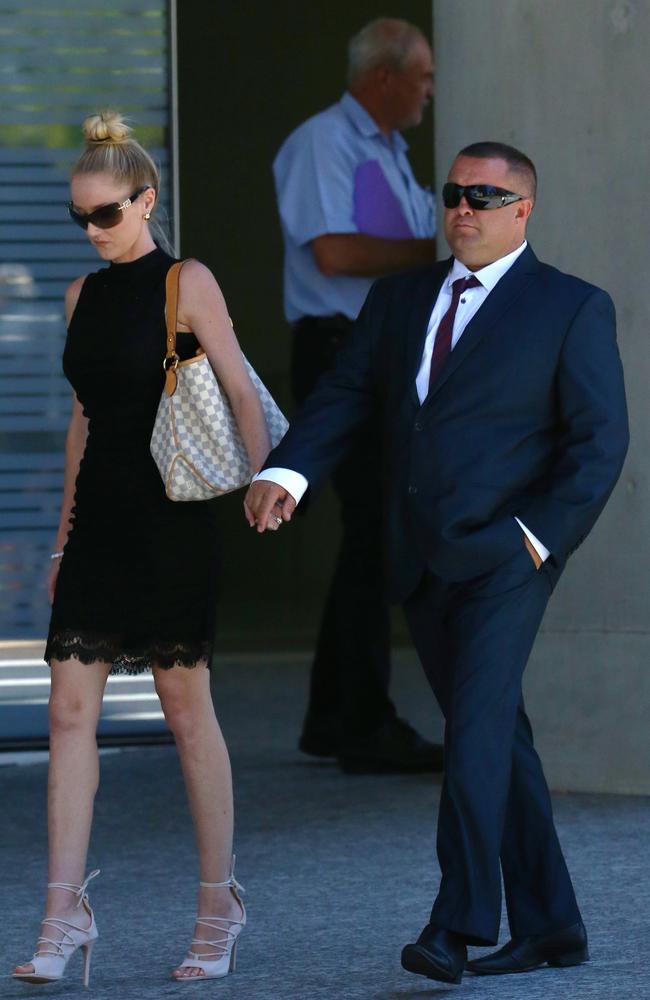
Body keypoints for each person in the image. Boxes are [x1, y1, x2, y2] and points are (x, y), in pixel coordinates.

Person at [245, 141, 629, 984]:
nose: (463, 207)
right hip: (418, 554)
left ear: (522, 211)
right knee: (497, 735)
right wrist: (288, 470)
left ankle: (456, 926)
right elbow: (344, 396)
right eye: (453, 193)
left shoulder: (570, 307)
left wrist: (534, 539)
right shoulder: (399, 298)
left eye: (484, 196)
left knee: (475, 732)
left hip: (508, 556)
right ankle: (554, 924)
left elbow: (600, 444)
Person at [12, 111, 272, 986]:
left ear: (147, 200)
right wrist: (59, 544)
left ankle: (218, 904)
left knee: (185, 711)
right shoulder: (82, 297)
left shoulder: (186, 283)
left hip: (173, 521)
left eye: (108, 215)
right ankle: (62, 911)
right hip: (99, 526)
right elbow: (82, 424)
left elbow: (239, 389)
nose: (93, 232)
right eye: (80, 219)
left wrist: (270, 486)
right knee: (66, 716)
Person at [273, 17, 442, 773]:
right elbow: (334, 251)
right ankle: (362, 719)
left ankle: (335, 716)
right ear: (384, 78)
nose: (431, 91)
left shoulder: (396, 156)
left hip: (382, 356)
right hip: (341, 353)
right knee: (378, 530)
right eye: (424, 77)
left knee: (373, 532)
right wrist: (439, 255)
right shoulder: (323, 143)